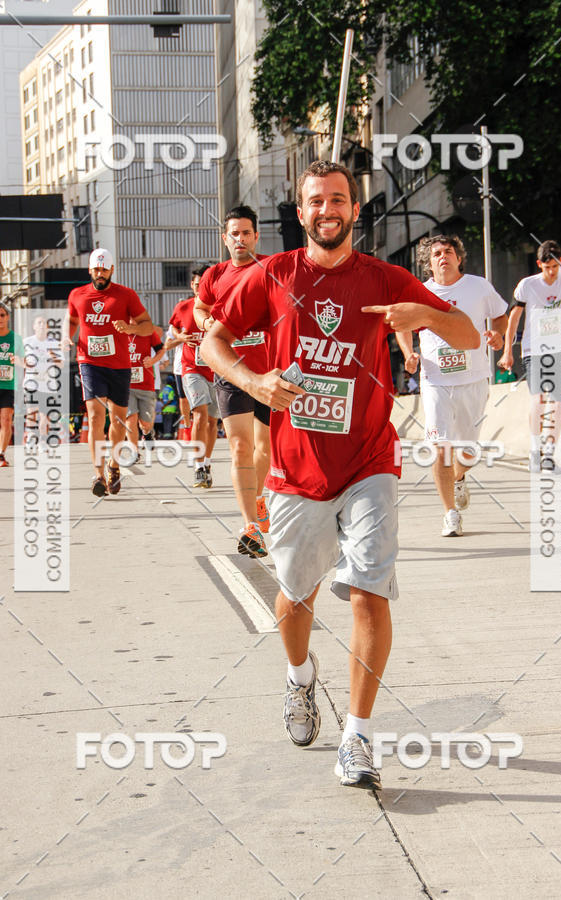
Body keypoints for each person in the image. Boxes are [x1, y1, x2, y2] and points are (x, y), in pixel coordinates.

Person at [201, 160, 479, 789]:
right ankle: (301, 678)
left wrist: (425, 316)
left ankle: (357, 736)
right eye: (315, 201)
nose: (327, 209)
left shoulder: (385, 278)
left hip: (369, 462)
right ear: (300, 212)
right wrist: (253, 381)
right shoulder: (273, 274)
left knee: (369, 589)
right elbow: (211, 342)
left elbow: (468, 335)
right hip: (297, 469)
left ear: (355, 210)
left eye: (338, 199)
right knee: (295, 595)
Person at [397, 235, 508, 537]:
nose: (442, 256)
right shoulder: (419, 293)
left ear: (459, 258)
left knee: (469, 453)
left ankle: (459, 477)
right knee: (441, 448)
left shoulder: (478, 287)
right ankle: (450, 514)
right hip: (435, 380)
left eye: (448, 251)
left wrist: (498, 335)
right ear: (428, 263)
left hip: (473, 379)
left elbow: (500, 315)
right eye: (436, 253)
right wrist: (409, 354)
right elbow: (403, 327)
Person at [193, 205, 271, 558]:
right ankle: (250, 526)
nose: (240, 239)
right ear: (225, 239)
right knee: (240, 446)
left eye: (246, 233)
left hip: (268, 374)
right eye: (234, 234)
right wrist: (206, 324)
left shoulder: (271, 269)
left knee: (264, 449)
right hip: (230, 372)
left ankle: (258, 495)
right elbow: (199, 308)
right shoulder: (215, 275)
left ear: (256, 236)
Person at [498, 241, 561, 471]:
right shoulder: (528, 285)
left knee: (557, 402)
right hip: (534, 349)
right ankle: (536, 451)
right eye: (547, 268)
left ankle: (549, 455)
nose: (552, 272)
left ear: (560, 263)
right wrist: (507, 351)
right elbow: (514, 317)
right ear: (539, 264)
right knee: (538, 399)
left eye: (555, 267)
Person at [61, 248, 153, 495]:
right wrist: (66, 337)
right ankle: (98, 475)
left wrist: (130, 328)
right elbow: (72, 320)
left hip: (120, 365)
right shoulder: (77, 294)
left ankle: (114, 464)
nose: (100, 274)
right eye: (96, 269)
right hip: (89, 362)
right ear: (89, 270)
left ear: (112, 269)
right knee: (95, 416)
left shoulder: (126, 295)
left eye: (104, 269)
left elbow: (147, 325)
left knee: (118, 421)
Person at [169, 269, 218, 486]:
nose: (200, 289)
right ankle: (198, 467)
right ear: (192, 285)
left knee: (212, 421)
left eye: (204, 285)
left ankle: (206, 462)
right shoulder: (183, 307)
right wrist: (180, 336)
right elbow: (172, 327)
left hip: (216, 369)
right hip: (192, 368)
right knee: (200, 414)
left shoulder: (219, 307)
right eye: (197, 285)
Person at [125, 323, 166, 459]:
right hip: (126, 384)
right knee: (130, 418)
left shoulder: (148, 331)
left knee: (146, 423)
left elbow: (162, 349)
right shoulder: (119, 332)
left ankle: (147, 433)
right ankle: (134, 451)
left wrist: (153, 360)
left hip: (146, 384)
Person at [0, 301, 24, 467]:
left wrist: (17, 360)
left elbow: (24, 362)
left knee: (6, 420)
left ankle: (1, 454)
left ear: (8, 317)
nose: (0, 318)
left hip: (9, 385)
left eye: (2, 315)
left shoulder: (16, 339)